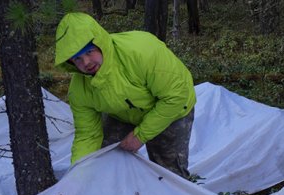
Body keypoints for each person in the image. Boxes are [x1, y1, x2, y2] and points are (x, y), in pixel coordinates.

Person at [54, 12, 196, 178]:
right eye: (77, 59)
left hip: (172, 110)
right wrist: (77, 175)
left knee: (169, 175)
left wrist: (139, 136)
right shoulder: (79, 90)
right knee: (100, 158)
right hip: (124, 115)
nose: (86, 63)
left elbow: (176, 96)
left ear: (100, 43)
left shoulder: (141, 52)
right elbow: (88, 135)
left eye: (89, 52)